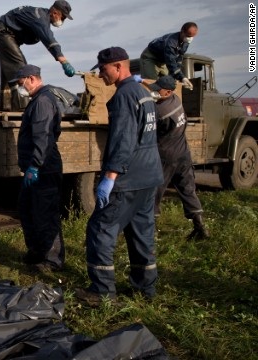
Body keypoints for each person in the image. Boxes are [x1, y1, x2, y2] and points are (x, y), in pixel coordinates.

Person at [75, 47, 163, 306]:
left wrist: (111, 175)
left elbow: (123, 139)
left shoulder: (124, 95)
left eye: (103, 69)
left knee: (101, 229)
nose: (100, 75)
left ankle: (102, 293)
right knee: (141, 232)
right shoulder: (142, 93)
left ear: (118, 67)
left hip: (128, 177)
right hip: (149, 175)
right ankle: (145, 288)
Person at [11, 64, 65, 273]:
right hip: (36, 167)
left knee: (45, 213)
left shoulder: (43, 101)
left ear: (32, 79)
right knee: (27, 208)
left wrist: (35, 164)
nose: (19, 87)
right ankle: (37, 252)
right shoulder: (38, 100)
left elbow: (43, 136)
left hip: (44, 168)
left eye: (20, 82)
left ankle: (53, 260)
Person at [144, 75, 210, 240]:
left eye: (157, 90)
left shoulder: (160, 112)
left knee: (155, 191)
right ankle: (200, 227)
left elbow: (147, 130)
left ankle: (150, 232)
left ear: (167, 92)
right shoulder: (176, 99)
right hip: (183, 153)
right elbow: (155, 89)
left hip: (166, 156)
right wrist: (141, 81)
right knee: (187, 189)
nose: (154, 92)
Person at [0, 1, 76, 111]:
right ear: (55, 12)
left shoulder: (42, 17)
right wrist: (64, 62)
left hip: (7, 34)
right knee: (22, 72)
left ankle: (7, 106)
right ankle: (23, 109)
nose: (63, 21)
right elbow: (49, 40)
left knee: (10, 70)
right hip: (4, 33)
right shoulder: (40, 18)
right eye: (63, 17)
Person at [140, 22, 198, 90]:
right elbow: (171, 63)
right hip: (150, 58)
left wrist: (179, 77)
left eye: (192, 37)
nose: (190, 39)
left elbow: (179, 59)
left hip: (163, 61)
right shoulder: (171, 42)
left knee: (169, 82)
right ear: (182, 32)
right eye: (188, 36)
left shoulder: (185, 42)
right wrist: (182, 77)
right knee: (151, 82)